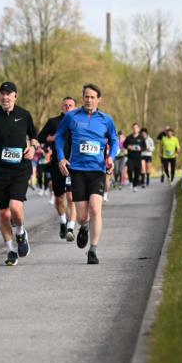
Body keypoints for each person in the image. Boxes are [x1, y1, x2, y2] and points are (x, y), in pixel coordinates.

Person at [55, 84, 119, 264]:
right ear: (82, 98)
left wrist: (111, 157)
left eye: (92, 97)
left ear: (99, 99)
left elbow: (114, 140)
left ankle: (93, 250)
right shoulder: (71, 117)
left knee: (96, 209)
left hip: (97, 170)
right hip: (77, 170)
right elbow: (60, 136)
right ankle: (83, 227)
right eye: (86, 97)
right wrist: (61, 158)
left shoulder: (106, 120)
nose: (89, 100)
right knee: (82, 216)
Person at [0, 81, 38, 266]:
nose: (5, 97)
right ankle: (10, 250)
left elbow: (34, 135)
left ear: (15, 96)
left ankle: (21, 232)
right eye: (2, 94)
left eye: (8, 94)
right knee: (3, 214)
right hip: (0, 170)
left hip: (20, 169)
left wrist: (32, 148)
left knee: (15, 207)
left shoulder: (24, 115)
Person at [38, 97, 77, 241]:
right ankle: (63, 222)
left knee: (71, 197)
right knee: (59, 197)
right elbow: (40, 137)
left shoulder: (79, 122)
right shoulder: (53, 122)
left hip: (74, 164)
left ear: (75, 107)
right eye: (65, 105)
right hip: (57, 164)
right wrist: (52, 138)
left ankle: (71, 227)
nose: (67, 107)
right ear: (62, 107)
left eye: (70, 105)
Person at [123, 123, 145, 192]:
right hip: (130, 157)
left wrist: (140, 148)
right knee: (129, 170)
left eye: (136, 128)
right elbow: (124, 144)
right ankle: (131, 181)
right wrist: (128, 147)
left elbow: (144, 147)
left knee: (137, 172)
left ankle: (135, 186)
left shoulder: (141, 138)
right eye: (134, 128)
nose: (135, 129)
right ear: (132, 129)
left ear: (138, 129)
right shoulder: (129, 137)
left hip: (138, 157)